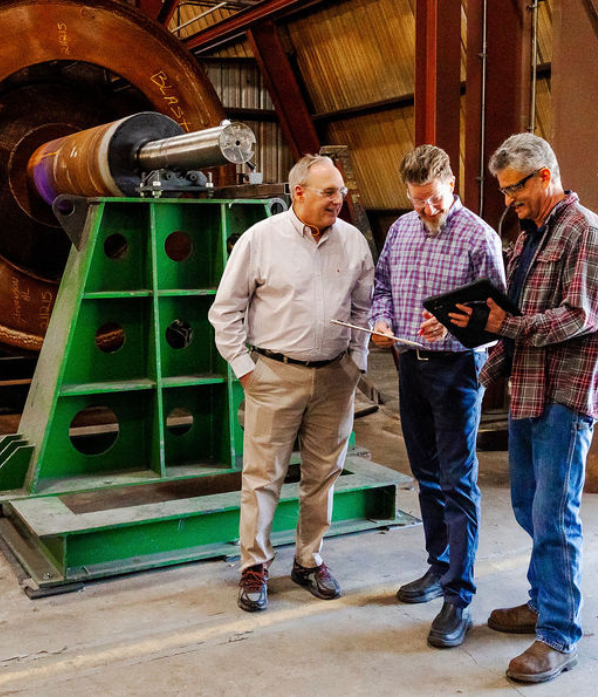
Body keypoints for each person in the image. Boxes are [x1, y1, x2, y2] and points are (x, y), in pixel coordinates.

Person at [447, 133, 598, 683]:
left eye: (514, 189)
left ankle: (559, 635)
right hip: (527, 389)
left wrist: (505, 325)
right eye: (503, 191)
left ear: (544, 176)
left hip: (566, 398)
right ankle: (544, 602)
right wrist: (482, 361)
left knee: (554, 516)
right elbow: (513, 315)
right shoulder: (528, 237)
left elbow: (579, 317)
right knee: (526, 504)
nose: (508, 201)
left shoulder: (585, 233)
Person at [208, 153, 374, 613]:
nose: (337, 200)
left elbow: (365, 307)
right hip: (273, 375)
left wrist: (356, 361)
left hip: (335, 377)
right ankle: (254, 566)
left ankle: (308, 559)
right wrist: (245, 368)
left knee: (324, 474)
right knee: (263, 475)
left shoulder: (353, 241)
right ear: (297, 193)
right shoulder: (261, 240)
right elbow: (225, 310)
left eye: (340, 191)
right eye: (328, 192)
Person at [368, 144, 505, 649]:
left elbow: (496, 317)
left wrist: (452, 322)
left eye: (434, 199)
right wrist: (381, 320)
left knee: (457, 481)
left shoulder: (478, 238)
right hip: (408, 367)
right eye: (417, 199)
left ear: (452, 184)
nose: (426, 209)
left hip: (456, 373)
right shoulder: (401, 230)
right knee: (425, 475)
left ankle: (458, 598)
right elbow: (381, 287)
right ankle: (438, 566)